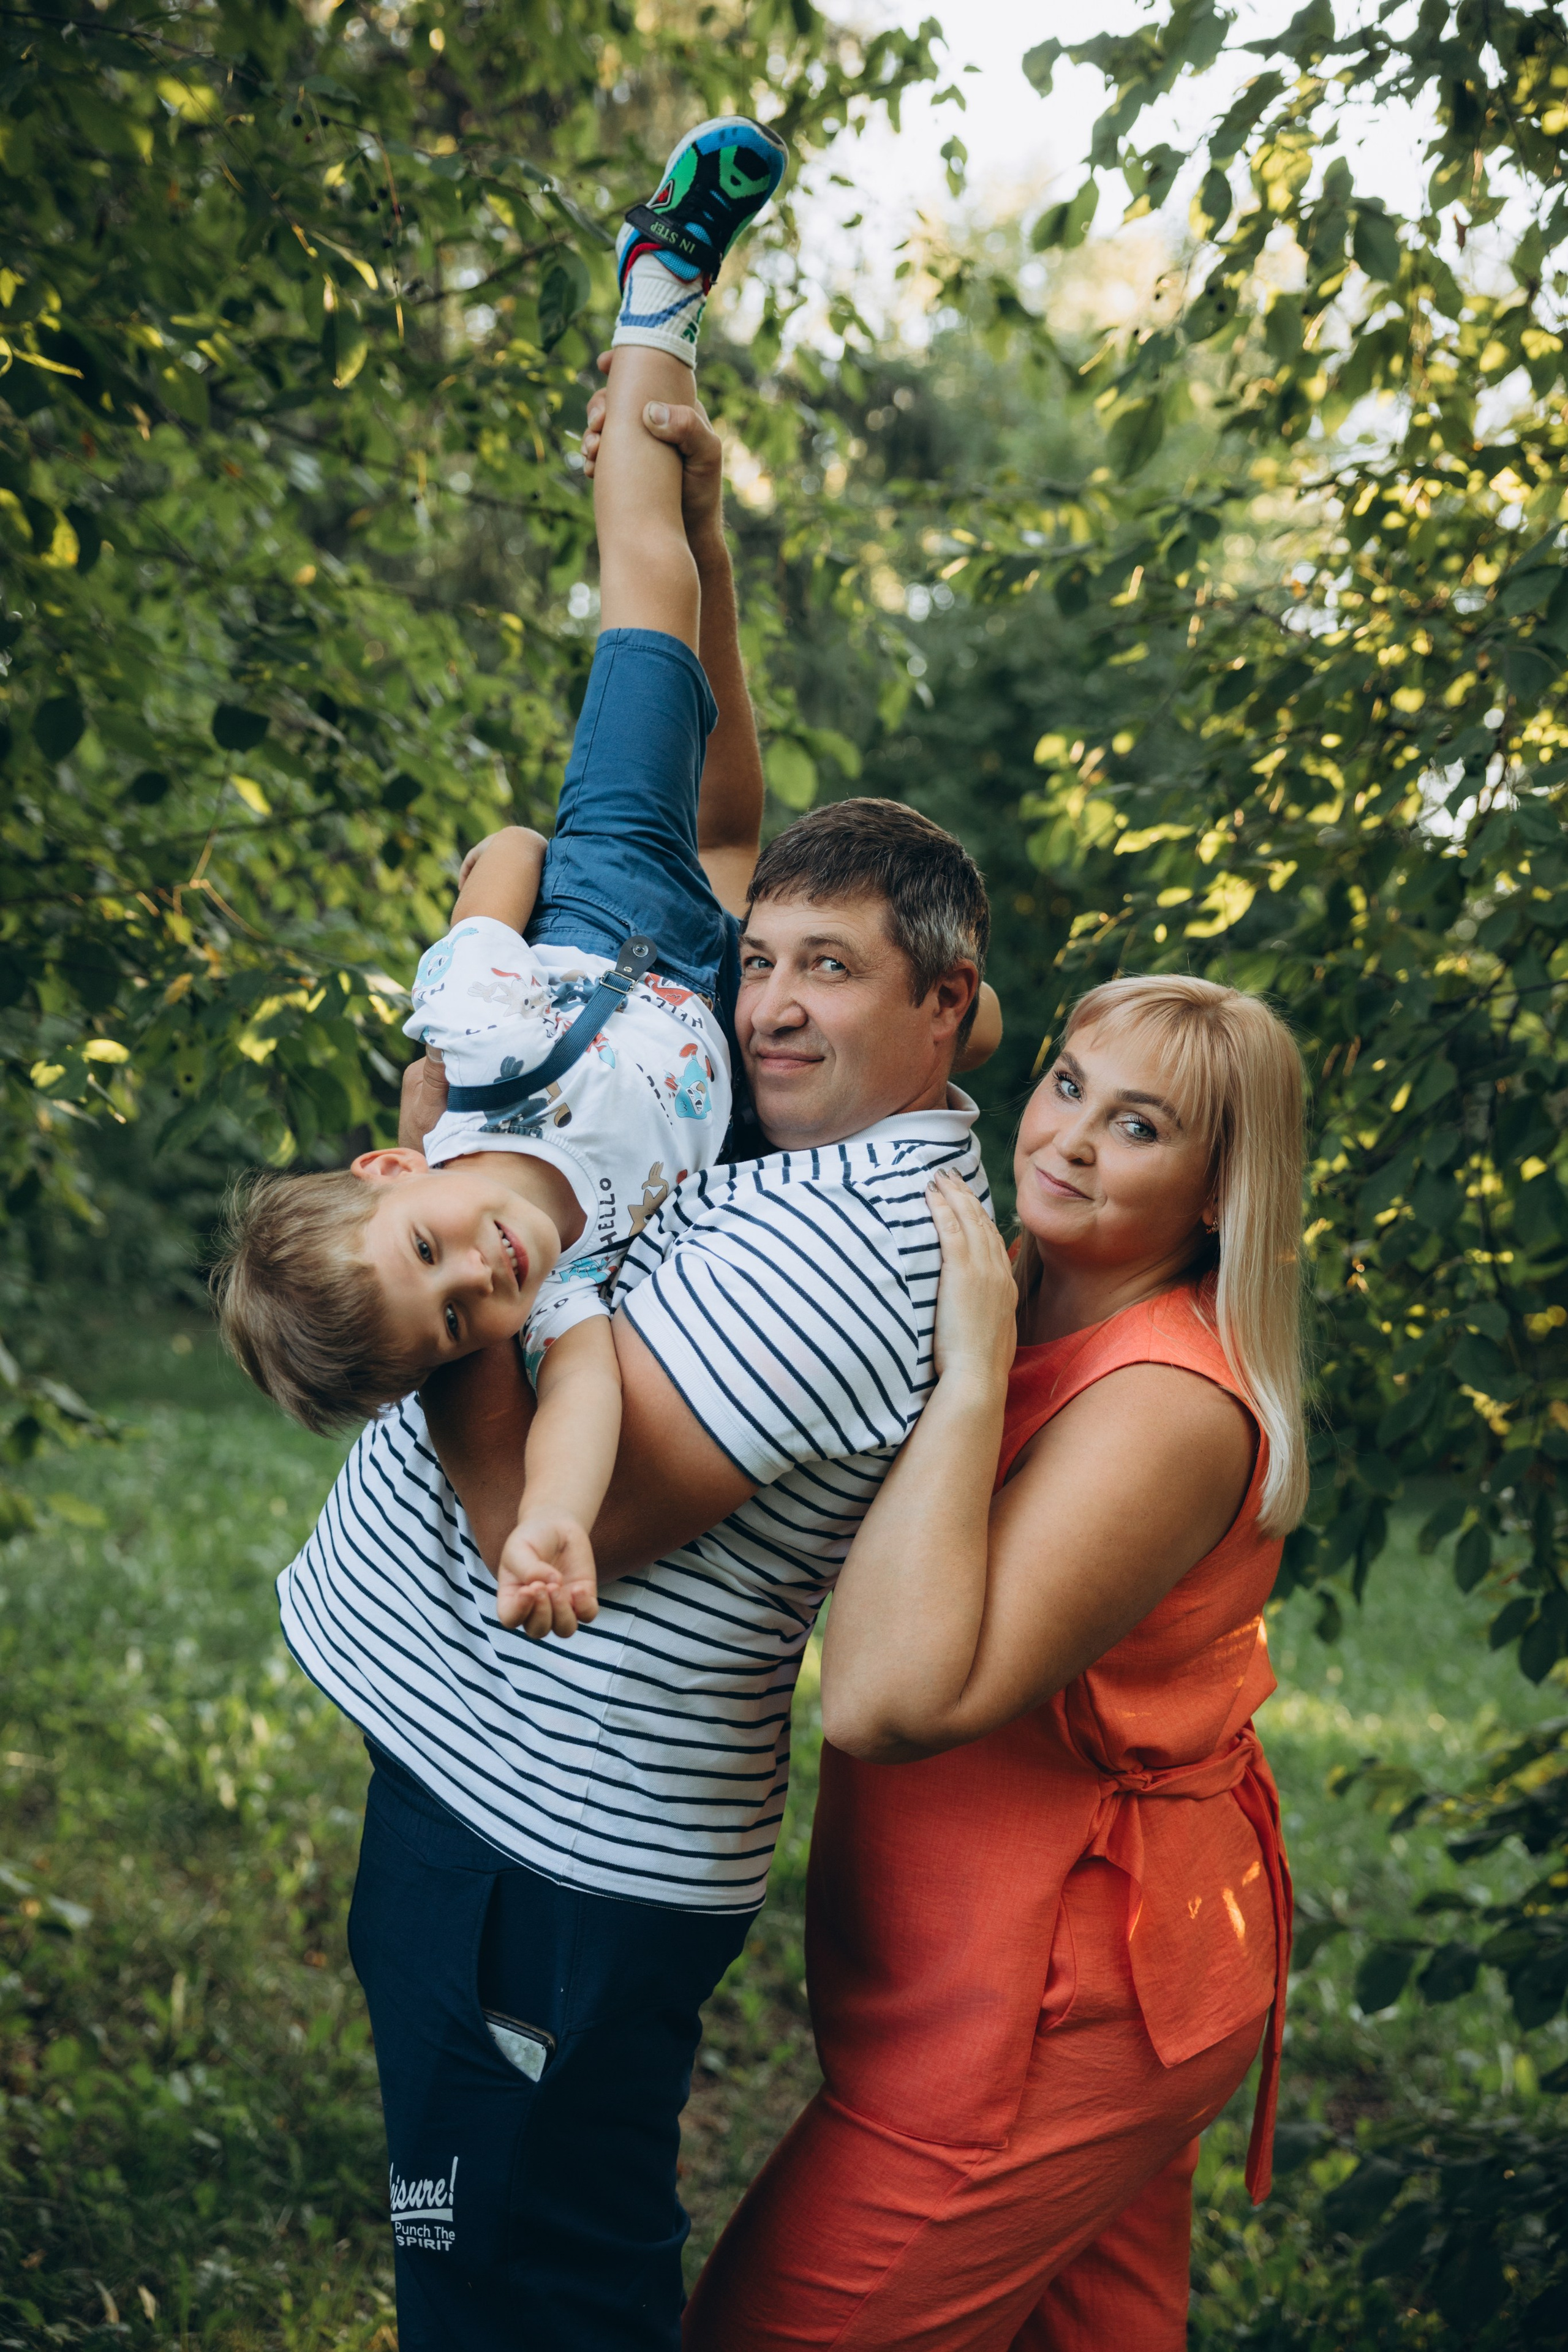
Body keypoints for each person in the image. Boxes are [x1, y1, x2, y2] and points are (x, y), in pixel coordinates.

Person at [271, 116, 1000, 2352]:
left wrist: (445, 1162)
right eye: (761, 958)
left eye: (824, 976)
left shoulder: (864, 1229)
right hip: (476, 1800)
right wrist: (679, 500)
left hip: (547, 1862)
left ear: (952, 1010)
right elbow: (711, 818)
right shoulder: (761, 1118)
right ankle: (653, 324)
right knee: (452, 2251)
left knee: (524, 2289)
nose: (765, 995)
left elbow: (529, 1487)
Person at [212, 117, 793, 1643]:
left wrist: (541, 876)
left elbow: (503, 862)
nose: (482, 1277)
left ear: (398, 1171)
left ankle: (654, 295)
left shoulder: (467, 1050)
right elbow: (580, 1396)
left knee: (645, 593)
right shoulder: (569, 1273)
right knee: (742, 810)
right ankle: (682, 490)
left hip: (599, 892)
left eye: (432, 1253)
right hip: (711, 984)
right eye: (461, 1318)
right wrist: (545, 1521)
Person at [685, 974, 1306, 2352]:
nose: (1070, 1139)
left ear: (1218, 1193)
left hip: (1061, 2009)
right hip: (1009, 1972)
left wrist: (967, 1380)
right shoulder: (1018, 1289)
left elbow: (888, 1700)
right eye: (1069, 1084)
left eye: (1139, 1127)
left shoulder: (1163, 1404)